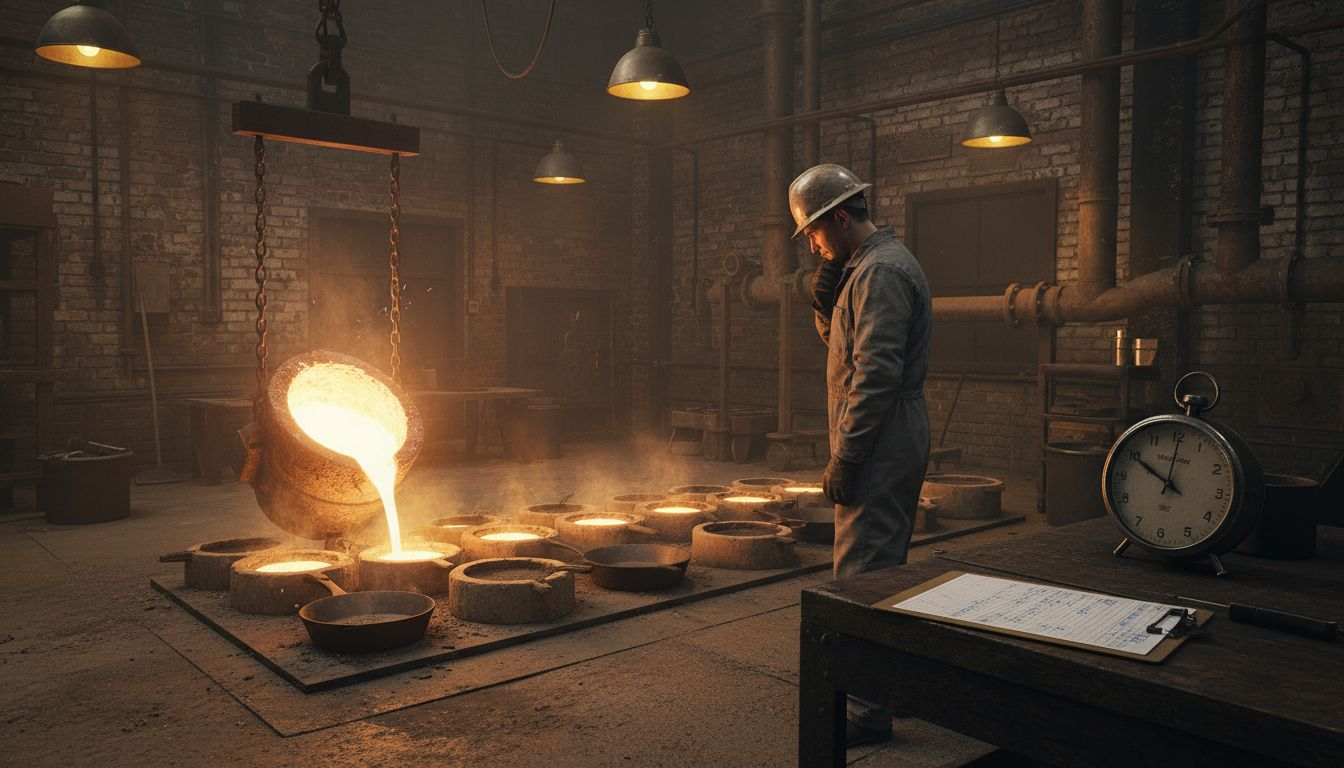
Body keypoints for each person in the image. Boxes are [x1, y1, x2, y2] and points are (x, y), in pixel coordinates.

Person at [789, 163, 932, 747]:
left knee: (863, 575)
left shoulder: (882, 274)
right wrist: (827, 305)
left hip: (880, 436)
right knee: (881, 568)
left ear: (841, 218)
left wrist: (846, 457)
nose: (815, 246)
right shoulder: (865, 269)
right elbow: (852, 349)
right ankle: (888, 688)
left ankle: (870, 711)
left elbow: (874, 375)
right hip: (883, 431)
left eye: (816, 234)